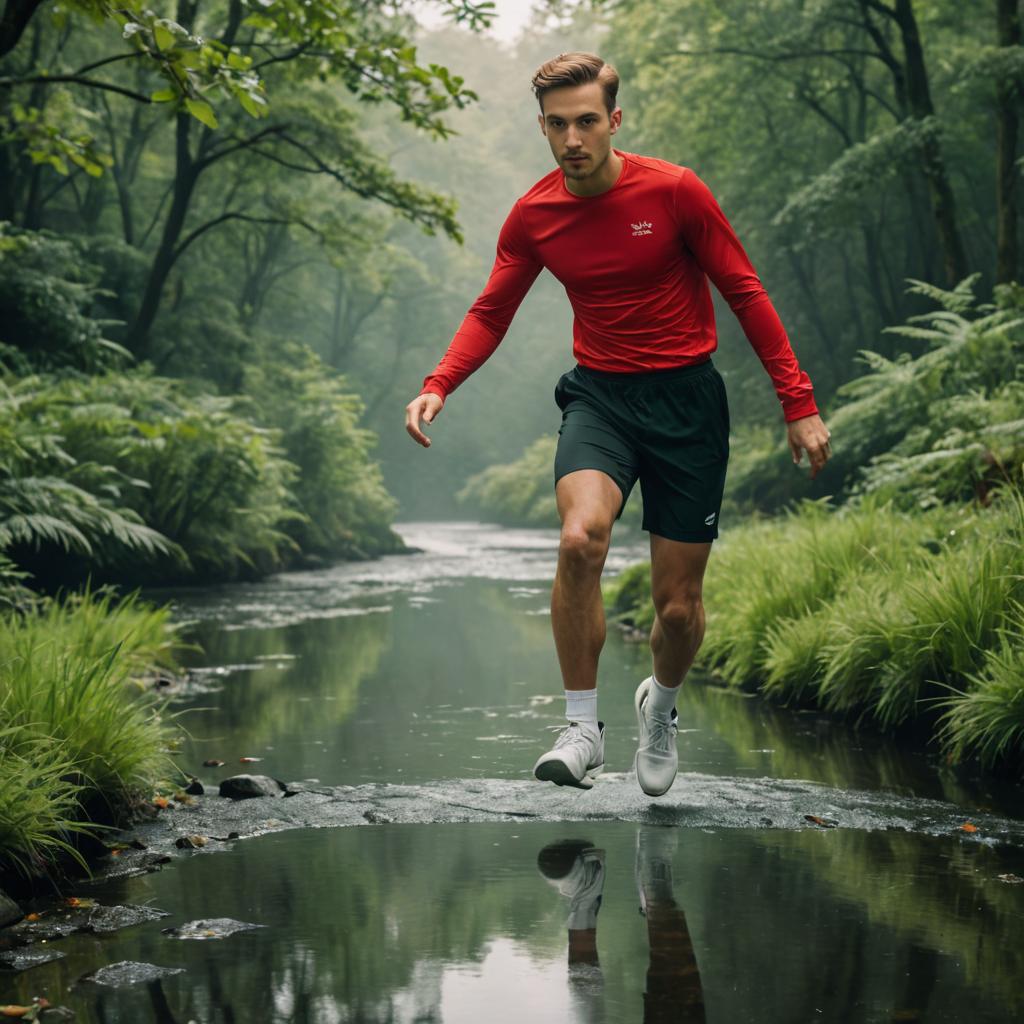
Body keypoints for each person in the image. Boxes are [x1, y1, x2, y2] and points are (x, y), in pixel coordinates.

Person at [405, 52, 832, 797]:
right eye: (558, 124)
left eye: (587, 122)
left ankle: (659, 707)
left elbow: (744, 289)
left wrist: (798, 403)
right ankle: (580, 728)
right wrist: (441, 382)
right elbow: (491, 310)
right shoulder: (536, 214)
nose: (573, 138)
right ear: (542, 126)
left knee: (677, 608)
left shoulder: (673, 192)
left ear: (614, 121)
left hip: (688, 404)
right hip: (600, 398)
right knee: (579, 540)